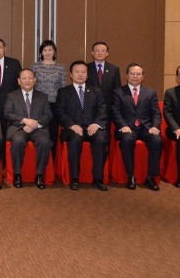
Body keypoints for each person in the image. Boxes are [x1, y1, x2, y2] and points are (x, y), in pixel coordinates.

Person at [56, 61, 109, 191]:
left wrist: (96, 124)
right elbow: (60, 112)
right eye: (77, 72)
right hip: (73, 129)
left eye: (83, 72)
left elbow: (102, 110)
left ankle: (98, 179)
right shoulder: (64, 91)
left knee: (101, 139)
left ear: (87, 74)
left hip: (92, 127)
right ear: (71, 74)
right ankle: (74, 178)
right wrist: (72, 125)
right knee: (75, 139)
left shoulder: (96, 91)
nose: (80, 74)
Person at [112, 63, 162, 191]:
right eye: (132, 73)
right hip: (127, 128)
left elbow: (156, 112)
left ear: (143, 76)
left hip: (146, 127)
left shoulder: (150, 92)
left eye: (138, 74)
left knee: (157, 140)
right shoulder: (118, 92)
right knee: (127, 140)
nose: (135, 76)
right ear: (127, 76)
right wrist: (123, 125)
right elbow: (115, 112)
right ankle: (130, 176)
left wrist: (155, 126)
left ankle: (150, 177)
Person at [3, 68, 53, 189]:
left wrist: (35, 124)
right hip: (18, 128)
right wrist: (25, 120)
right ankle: (17, 175)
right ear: (19, 81)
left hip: (38, 129)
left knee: (44, 142)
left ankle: (40, 175)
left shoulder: (42, 96)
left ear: (35, 80)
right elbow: (7, 113)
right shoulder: (12, 96)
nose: (27, 81)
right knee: (18, 141)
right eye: (24, 78)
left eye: (30, 78)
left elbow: (48, 115)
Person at [30, 40, 66, 151]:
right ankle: (40, 155)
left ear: (54, 51)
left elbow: (63, 88)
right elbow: (30, 86)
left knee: (53, 132)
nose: (47, 52)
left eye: (50, 50)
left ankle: (53, 156)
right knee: (39, 130)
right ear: (41, 52)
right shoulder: (34, 67)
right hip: (38, 104)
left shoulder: (61, 68)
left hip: (55, 104)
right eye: (45, 50)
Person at [87, 41, 121, 136]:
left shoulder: (114, 69)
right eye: (97, 50)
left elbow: (117, 90)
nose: (100, 53)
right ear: (92, 53)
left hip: (108, 109)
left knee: (106, 136)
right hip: (90, 108)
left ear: (107, 53)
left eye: (103, 51)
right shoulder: (86, 68)